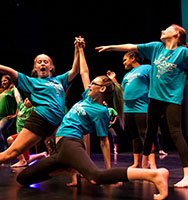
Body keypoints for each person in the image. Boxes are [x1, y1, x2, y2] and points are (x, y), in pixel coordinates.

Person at [16, 37, 169, 200]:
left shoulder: (100, 111)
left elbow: (104, 141)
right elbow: (84, 72)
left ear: (101, 89)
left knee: (95, 176)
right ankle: (67, 167)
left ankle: (153, 175)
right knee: (23, 178)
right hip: (60, 151)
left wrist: (109, 170)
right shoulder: (87, 98)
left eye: (93, 85)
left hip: (70, 142)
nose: (89, 86)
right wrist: (80, 49)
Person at [96, 24, 188, 188]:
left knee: (175, 133)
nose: (162, 31)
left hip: (172, 99)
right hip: (154, 98)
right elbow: (131, 46)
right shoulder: (157, 47)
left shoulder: (183, 52)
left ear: (177, 34)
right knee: (150, 131)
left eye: (167, 29)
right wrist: (111, 47)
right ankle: (143, 166)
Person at [0, 39, 80, 165]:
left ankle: (74, 177)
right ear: (35, 67)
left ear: (51, 67)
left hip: (56, 123)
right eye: (39, 62)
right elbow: (10, 72)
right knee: (11, 153)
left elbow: (75, 70)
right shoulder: (31, 82)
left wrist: (77, 49)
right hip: (41, 120)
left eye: (46, 62)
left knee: (64, 152)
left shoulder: (58, 80)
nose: (42, 63)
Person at [107, 51, 157, 169]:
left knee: (145, 135)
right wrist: (113, 80)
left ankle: (153, 164)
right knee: (134, 136)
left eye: (125, 60)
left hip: (142, 107)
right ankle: (137, 163)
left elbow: (155, 85)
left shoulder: (147, 68)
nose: (124, 63)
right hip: (128, 109)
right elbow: (121, 91)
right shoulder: (127, 75)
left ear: (133, 58)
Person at [7, 97, 47, 168]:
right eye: (26, 98)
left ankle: (22, 161)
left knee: (10, 139)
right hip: (20, 136)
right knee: (27, 159)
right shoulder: (21, 106)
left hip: (25, 135)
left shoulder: (32, 109)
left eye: (29, 100)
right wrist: (15, 86)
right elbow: (17, 97)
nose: (26, 99)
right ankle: (42, 154)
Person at [0, 75, 20, 152]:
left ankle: (2, 152)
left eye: (5, 80)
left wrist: (16, 114)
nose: (3, 82)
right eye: (2, 81)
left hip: (7, 116)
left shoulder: (13, 90)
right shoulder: (2, 91)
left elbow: (18, 101)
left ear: (9, 81)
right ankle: (4, 147)